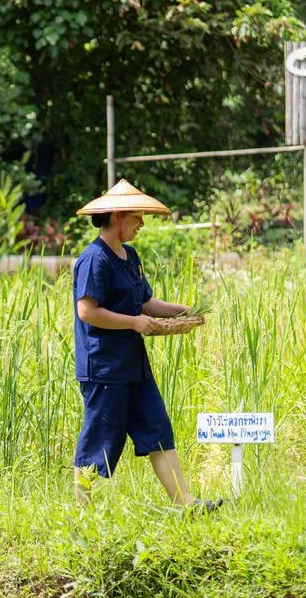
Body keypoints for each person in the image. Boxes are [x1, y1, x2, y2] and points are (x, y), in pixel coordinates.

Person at [71, 180, 219, 510]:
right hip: (105, 368)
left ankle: (186, 503)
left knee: (157, 429)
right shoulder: (95, 259)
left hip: (134, 365)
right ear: (118, 216)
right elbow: (88, 311)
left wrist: (185, 311)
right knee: (99, 442)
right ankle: (82, 518)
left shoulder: (131, 256)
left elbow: (147, 303)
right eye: (137, 217)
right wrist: (134, 322)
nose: (142, 223)